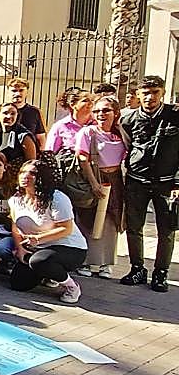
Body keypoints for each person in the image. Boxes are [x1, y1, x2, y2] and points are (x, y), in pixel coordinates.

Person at [0, 157, 87, 302]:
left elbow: (66, 229)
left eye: (32, 173)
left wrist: (38, 239)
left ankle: (71, 286)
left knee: (39, 261)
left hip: (68, 247)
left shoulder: (57, 198)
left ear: (41, 177)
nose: (25, 176)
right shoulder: (15, 199)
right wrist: (20, 248)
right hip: (35, 247)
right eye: (22, 172)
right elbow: (15, 225)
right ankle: (48, 274)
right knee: (18, 284)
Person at [119, 75, 178, 292]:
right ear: (137, 95)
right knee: (134, 228)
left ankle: (161, 273)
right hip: (137, 181)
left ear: (162, 93)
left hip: (167, 183)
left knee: (167, 230)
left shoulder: (175, 116)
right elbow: (128, 146)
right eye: (145, 93)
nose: (150, 97)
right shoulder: (128, 120)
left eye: (155, 92)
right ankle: (137, 269)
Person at [74, 96, 125, 279]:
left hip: (116, 179)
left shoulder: (121, 133)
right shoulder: (88, 132)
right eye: (97, 111)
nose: (100, 114)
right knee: (89, 220)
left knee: (111, 222)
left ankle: (106, 264)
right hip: (95, 177)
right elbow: (82, 158)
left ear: (115, 112)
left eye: (105, 110)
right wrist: (94, 182)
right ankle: (86, 261)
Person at [0, 102, 38, 170]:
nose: (9, 116)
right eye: (5, 113)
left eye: (13, 114)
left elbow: (31, 163)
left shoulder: (24, 137)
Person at [45, 88, 93, 153]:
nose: (91, 103)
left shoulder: (98, 124)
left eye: (92, 100)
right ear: (73, 105)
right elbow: (50, 152)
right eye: (85, 100)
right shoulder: (60, 126)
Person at [4, 79, 46, 146]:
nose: (17, 94)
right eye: (14, 91)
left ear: (27, 92)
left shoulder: (34, 112)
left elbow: (41, 138)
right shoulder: (0, 111)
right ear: (8, 92)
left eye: (21, 90)